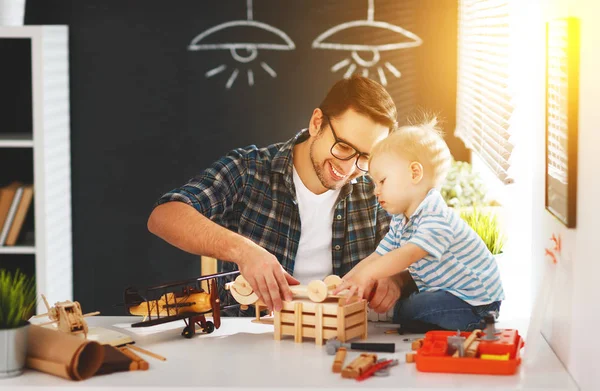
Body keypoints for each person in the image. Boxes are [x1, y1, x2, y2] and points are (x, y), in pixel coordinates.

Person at [147, 75, 407, 314]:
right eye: (343, 147)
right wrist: (244, 252)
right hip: (251, 340)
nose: (349, 168)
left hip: (342, 340)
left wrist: (396, 278)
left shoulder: (375, 188)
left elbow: (416, 247)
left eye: (365, 157)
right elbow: (165, 216)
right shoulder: (249, 169)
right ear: (317, 123)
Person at [333, 118, 505, 332]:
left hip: (475, 304)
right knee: (416, 303)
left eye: (383, 181)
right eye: (375, 184)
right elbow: (378, 255)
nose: (376, 191)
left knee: (413, 308)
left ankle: (404, 316)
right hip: (448, 294)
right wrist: (345, 282)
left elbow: (408, 254)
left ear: (415, 173)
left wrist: (367, 276)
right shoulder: (401, 219)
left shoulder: (436, 217)